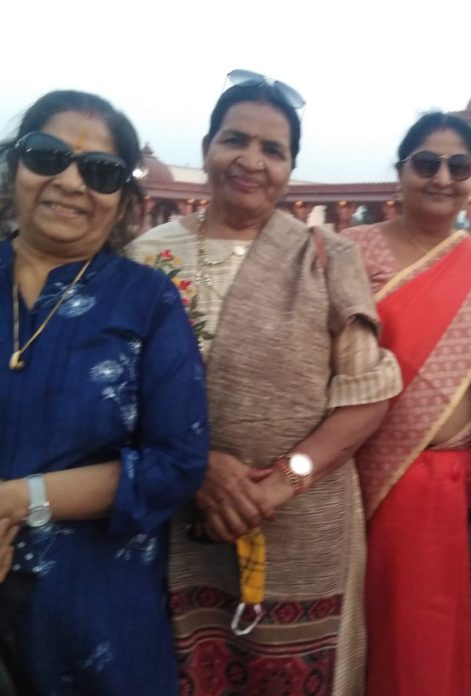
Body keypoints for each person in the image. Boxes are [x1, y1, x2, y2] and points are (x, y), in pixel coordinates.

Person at [128, 71, 402, 696]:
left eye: (272, 149)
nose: (251, 161)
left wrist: (282, 480)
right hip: (176, 516)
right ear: (207, 149)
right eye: (235, 140)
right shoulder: (144, 258)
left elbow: (368, 394)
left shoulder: (326, 255)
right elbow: (118, 394)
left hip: (303, 521)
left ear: (290, 168)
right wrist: (196, 468)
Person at [0, 90, 208, 694]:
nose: (70, 182)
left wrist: (16, 501)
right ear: (16, 165)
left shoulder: (148, 301)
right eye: (47, 155)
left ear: (121, 201)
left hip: (95, 619)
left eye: (100, 171)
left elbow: (178, 462)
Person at [343, 112, 471, 696]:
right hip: (343, 466)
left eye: (458, 166)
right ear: (400, 171)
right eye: (426, 163)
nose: (442, 178)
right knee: (346, 624)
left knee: (420, 636)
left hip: (445, 483)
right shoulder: (346, 251)